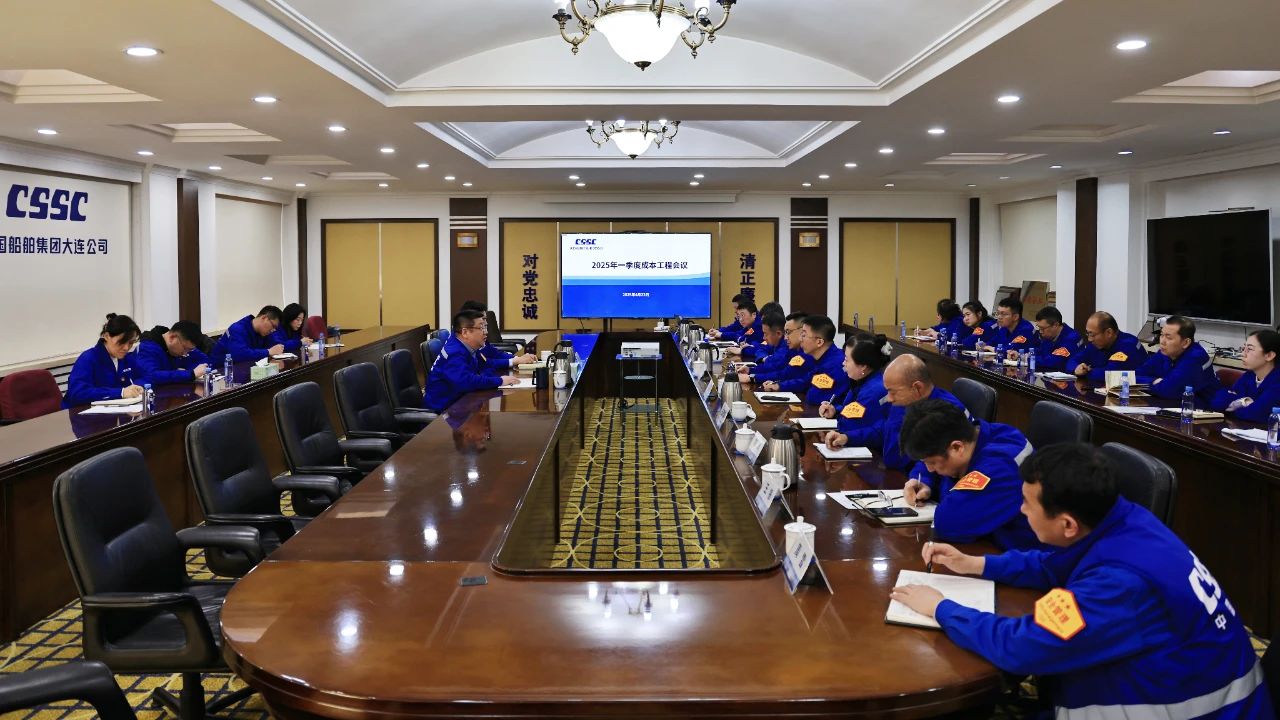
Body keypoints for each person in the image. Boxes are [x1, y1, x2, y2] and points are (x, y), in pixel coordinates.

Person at [891, 443, 1272, 719]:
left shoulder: (1118, 585)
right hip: (1181, 681)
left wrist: (941, 608)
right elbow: (1054, 564)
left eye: (1027, 505)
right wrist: (977, 565)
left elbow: (1023, 647)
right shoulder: (1126, 519)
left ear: (1067, 524)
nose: (1020, 510)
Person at [899, 399, 1041, 551]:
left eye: (932, 463)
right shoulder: (972, 434)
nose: (930, 469)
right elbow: (932, 457)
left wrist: (946, 482)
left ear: (957, 447)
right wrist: (924, 480)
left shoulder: (1001, 466)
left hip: (1024, 554)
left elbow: (949, 522)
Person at [879, 354, 967, 471]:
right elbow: (890, 448)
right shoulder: (905, 402)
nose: (889, 399)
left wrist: (918, 477)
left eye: (893, 392)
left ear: (917, 388)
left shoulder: (947, 412)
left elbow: (939, 461)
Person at [422, 310, 519, 413]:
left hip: (461, 403)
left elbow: (485, 366)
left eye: (485, 327)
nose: (486, 332)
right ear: (465, 332)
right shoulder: (454, 352)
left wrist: (495, 379)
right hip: (443, 413)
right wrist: (500, 381)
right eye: (481, 328)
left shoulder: (469, 347)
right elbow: (466, 382)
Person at [819, 334, 893, 450]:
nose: (843, 363)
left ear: (863, 366)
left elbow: (851, 425)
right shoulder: (862, 381)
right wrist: (835, 411)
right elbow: (857, 413)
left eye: (847, 359)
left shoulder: (874, 390)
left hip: (873, 452)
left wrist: (845, 435)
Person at [757, 314, 848, 404]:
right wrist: (779, 386)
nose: (800, 339)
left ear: (819, 342)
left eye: (804, 335)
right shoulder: (820, 358)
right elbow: (805, 381)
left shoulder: (836, 364)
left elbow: (813, 396)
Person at [62, 314, 143, 408]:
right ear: (106, 336)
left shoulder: (127, 358)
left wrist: (139, 387)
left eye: (130, 343)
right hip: (80, 413)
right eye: (121, 342)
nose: (126, 348)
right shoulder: (88, 358)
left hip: (115, 411)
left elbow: (145, 376)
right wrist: (120, 392)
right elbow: (77, 393)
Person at [1134, 315, 1219, 404]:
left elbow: (1167, 390)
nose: (1162, 341)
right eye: (1162, 335)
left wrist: (1156, 383)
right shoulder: (1165, 352)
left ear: (1185, 343)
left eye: (1169, 337)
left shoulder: (1195, 357)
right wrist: (1154, 381)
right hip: (1173, 402)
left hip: (1203, 406)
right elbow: (1134, 376)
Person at [1212, 330, 1280, 423]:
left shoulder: (1277, 381)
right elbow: (1218, 401)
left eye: (1250, 349)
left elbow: (1256, 414)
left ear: (1269, 355)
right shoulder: (1250, 374)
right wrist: (1245, 401)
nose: (1243, 354)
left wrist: (1235, 406)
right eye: (1243, 348)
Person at [1068, 311, 1148, 382]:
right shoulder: (1095, 344)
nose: (1089, 339)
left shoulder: (1128, 345)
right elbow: (1072, 361)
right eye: (1088, 334)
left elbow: (1109, 375)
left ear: (1109, 333)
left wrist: (1086, 372)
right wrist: (1076, 368)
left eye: (1092, 334)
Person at [459, 300, 536, 374]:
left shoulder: (479, 336)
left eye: (485, 319)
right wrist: (514, 361)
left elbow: (494, 353)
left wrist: (517, 358)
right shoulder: (459, 347)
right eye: (483, 319)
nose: (486, 323)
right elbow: (485, 364)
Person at [739, 312, 806, 384]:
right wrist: (751, 370)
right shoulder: (793, 349)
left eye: (788, 332)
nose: (786, 338)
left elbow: (785, 375)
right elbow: (762, 349)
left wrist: (753, 378)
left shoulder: (796, 350)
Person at [136, 321, 210, 385]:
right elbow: (152, 375)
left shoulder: (183, 346)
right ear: (172, 337)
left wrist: (190, 372)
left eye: (190, 350)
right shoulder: (147, 348)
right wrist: (190, 374)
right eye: (184, 348)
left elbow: (204, 361)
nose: (185, 354)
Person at [210, 306, 285, 364]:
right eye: (273, 326)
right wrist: (268, 352)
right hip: (221, 371)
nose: (273, 330)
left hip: (244, 368)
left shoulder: (264, 332)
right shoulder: (237, 329)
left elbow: (276, 346)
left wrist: (276, 349)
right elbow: (240, 354)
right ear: (264, 318)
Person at [1029, 306, 1082, 371]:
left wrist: (1028, 359)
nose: (1040, 331)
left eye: (1042, 328)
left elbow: (1054, 361)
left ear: (1055, 325)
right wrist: (1023, 355)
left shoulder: (1071, 338)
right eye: (1039, 327)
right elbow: (1040, 352)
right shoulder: (1049, 336)